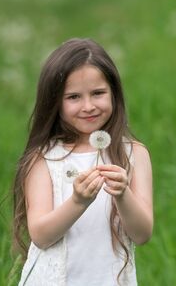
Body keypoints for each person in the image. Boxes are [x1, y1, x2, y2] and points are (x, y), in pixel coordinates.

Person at [13, 38, 153, 286]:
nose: (88, 106)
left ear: (114, 93)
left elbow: (142, 234)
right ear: (54, 102)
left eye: (98, 93)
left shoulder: (135, 154)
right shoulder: (43, 159)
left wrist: (122, 194)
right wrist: (78, 201)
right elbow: (41, 235)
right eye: (74, 97)